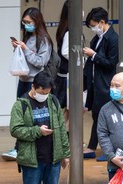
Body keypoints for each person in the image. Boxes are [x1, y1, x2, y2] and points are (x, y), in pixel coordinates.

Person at [9, 71, 70, 184]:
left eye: (47, 92)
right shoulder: (21, 104)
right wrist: (38, 131)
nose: (45, 95)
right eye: (42, 92)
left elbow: (61, 129)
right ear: (33, 87)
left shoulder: (53, 101)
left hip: (53, 157)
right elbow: (15, 129)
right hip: (32, 159)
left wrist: (65, 154)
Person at [2, 7, 53, 161]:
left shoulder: (43, 40)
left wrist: (25, 50)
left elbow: (41, 62)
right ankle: (19, 147)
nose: (26, 25)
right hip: (24, 80)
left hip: (34, 82)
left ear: (37, 22)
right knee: (21, 114)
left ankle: (19, 148)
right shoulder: (28, 37)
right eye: (24, 22)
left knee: (30, 116)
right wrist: (18, 48)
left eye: (29, 22)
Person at [82, 7, 118, 161]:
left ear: (102, 22)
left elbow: (111, 63)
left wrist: (94, 55)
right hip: (95, 83)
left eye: (94, 25)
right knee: (97, 115)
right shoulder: (98, 38)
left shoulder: (113, 38)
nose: (93, 29)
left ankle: (106, 149)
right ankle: (92, 146)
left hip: (105, 84)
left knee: (105, 117)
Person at [53, 0, 70, 133]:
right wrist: (81, 59)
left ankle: (66, 138)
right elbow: (66, 52)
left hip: (63, 75)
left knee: (67, 110)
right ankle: (63, 138)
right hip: (67, 76)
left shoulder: (63, 28)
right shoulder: (70, 31)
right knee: (69, 110)